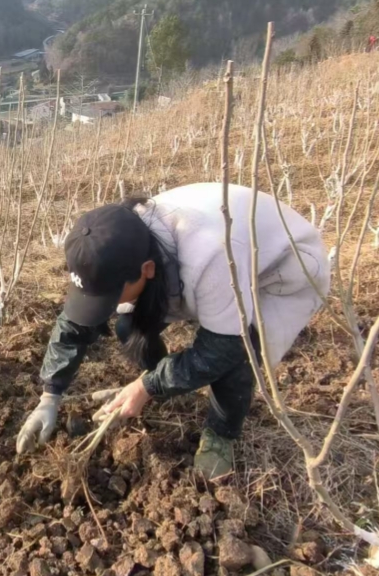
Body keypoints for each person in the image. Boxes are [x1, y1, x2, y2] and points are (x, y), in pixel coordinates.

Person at [16, 185, 331, 482]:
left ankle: (221, 434)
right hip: (209, 260)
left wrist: (146, 386)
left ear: (148, 270)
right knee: (129, 325)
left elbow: (225, 347)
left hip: (282, 270)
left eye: (113, 295)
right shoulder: (114, 243)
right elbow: (74, 323)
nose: (108, 305)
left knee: (239, 356)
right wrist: (50, 395)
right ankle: (158, 385)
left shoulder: (211, 256)